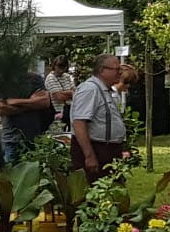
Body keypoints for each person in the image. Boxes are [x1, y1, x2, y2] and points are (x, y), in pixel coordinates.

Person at [70, 55, 129, 184]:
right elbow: (79, 123)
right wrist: (89, 156)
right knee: (95, 193)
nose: (120, 73)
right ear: (102, 70)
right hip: (97, 150)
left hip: (106, 151)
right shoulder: (90, 89)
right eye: (116, 69)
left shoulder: (104, 90)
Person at [0, 65, 54, 164]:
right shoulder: (4, 82)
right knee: (12, 175)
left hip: (34, 138)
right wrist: (32, 102)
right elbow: (2, 109)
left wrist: (14, 101)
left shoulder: (35, 79)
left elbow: (45, 103)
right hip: (12, 139)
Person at [43, 55, 77, 128]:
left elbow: (75, 92)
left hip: (71, 110)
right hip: (58, 111)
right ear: (54, 66)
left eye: (63, 67)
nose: (60, 70)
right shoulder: (51, 78)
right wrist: (70, 92)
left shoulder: (67, 76)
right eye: (59, 67)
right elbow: (58, 97)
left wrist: (62, 92)